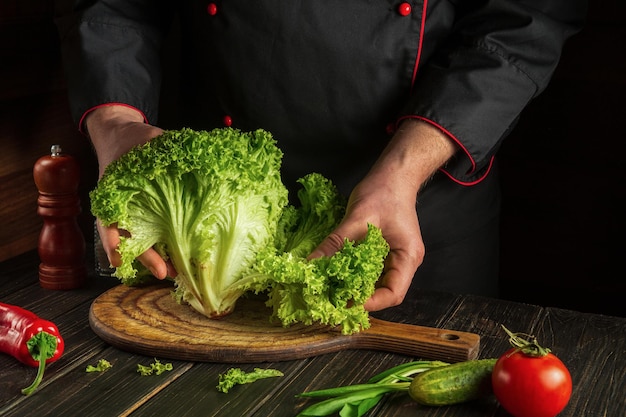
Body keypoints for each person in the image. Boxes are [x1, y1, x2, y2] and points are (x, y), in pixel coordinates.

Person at [56, 0, 586, 311]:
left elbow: (526, 17)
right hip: (199, 225)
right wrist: (117, 124)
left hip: (414, 212)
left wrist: (404, 171)